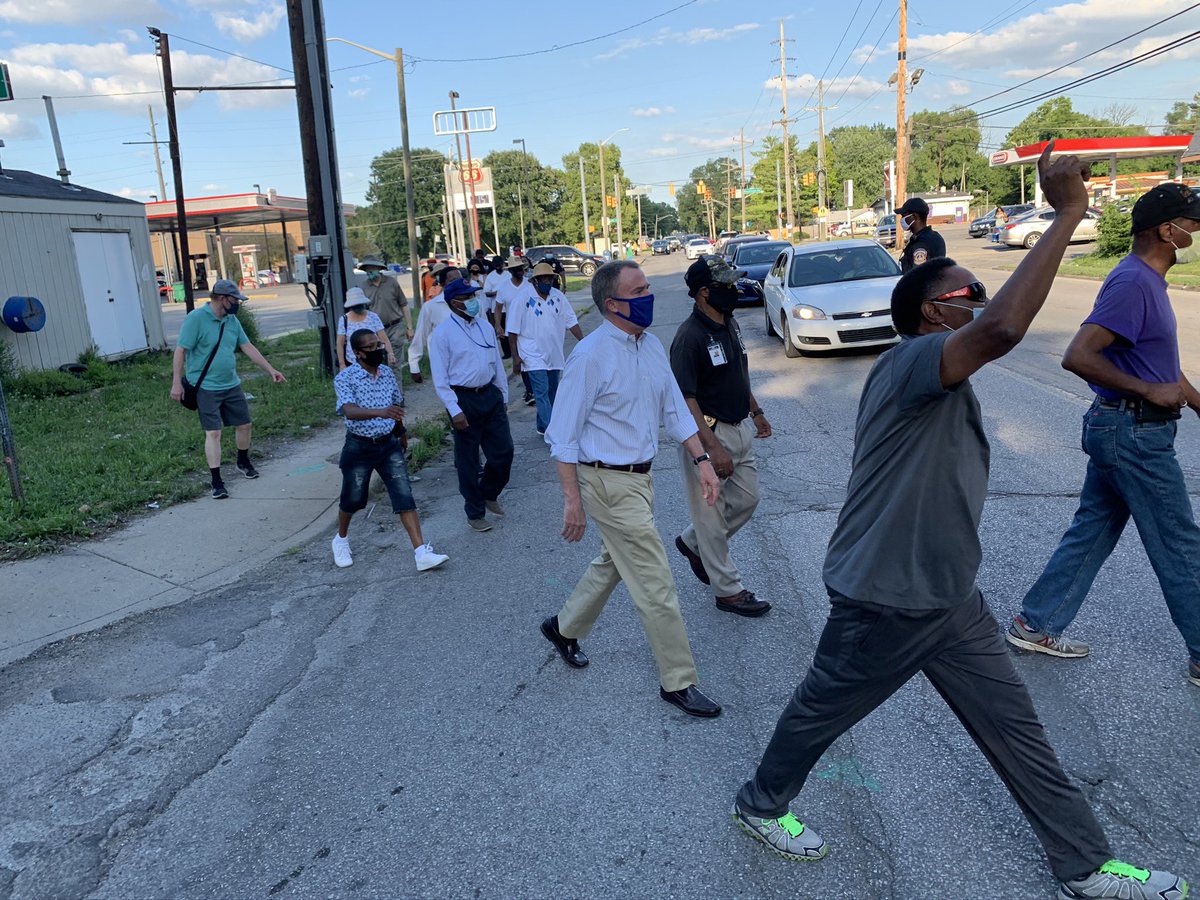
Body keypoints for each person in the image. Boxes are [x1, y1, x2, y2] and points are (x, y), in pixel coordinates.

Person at [731, 146, 1188, 900]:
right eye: (967, 292)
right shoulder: (913, 362)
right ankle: (759, 804)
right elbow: (1005, 329)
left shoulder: (938, 372)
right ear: (931, 315)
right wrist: (1068, 213)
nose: (979, 298)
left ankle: (1084, 864)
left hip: (948, 597)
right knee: (821, 709)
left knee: (1018, 732)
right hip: (883, 595)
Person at [1007, 182, 1200, 690]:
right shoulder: (1134, 282)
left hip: (1125, 427)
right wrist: (1149, 392)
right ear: (1167, 230)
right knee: (1180, 543)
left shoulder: (1147, 280)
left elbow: (1156, 365)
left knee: (1093, 529)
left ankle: (1036, 623)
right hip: (1133, 431)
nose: (1195, 232)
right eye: (1192, 224)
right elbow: (1079, 355)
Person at [539, 260, 725, 719]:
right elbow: (561, 437)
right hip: (604, 480)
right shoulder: (590, 358)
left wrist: (702, 459)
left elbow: (674, 409)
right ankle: (678, 681)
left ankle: (563, 628)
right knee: (655, 583)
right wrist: (572, 502)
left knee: (616, 560)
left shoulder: (651, 345)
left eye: (647, 287)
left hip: (640, 478)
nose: (649, 295)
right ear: (611, 304)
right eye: (639, 290)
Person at [670, 257, 772, 618]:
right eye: (725, 286)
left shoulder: (728, 323)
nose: (733, 291)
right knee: (711, 516)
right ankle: (728, 591)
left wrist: (756, 411)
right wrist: (711, 448)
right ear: (703, 293)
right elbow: (685, 398)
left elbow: (739, 374)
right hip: (708, 436)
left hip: (738, 427)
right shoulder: (689, 337)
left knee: (747, 499)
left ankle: (693, 543)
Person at [331, 329, 448, 573]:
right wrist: (380, 412)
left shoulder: (386, 374)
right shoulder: (346, 378)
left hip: (388, 445)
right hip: (359, 446)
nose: (378, 350)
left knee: (403, 494)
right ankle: (341, 539)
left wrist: (401, 432)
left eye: (379, 345)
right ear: (357, 353)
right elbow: (349, 410)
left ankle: (420, 553)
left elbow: (395, 406)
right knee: (353, 499)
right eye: (371, 348)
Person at [170, 279, 287, 499]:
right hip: (205, 386)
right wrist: (177, 383)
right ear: (222, 298)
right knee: (213, 432)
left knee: (245, 425)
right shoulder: (196, 319)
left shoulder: (232, 320)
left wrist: (270, 369)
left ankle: (243, 461)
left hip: (231, 383)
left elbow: (246, 346)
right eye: (235, 300)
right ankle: (216, 481)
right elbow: (180, 351)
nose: (237, 304)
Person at [428, 277, 514, 532]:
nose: (473, 301)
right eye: (467, 298)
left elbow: (496, 362)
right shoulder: (443, 334)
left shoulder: (484, 326)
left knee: (504, 452)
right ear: (454, 303)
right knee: (467, 460)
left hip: (490, 394)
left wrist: (503, 394)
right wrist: (454, 409)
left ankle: (488, 492)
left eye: (473, 297)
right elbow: (440, 378)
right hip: (463, 399)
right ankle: (475, 512)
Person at [506, 261, 583, 436]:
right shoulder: (523, 299)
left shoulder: (558, 297)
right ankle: (553, 432)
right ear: (534, 281)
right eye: (543, 279)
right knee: (541, 392)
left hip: (554, 353)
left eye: (549, 279)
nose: (546, 282)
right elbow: (512, 331)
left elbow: (571, 321)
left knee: (553, 392)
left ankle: (542, 426)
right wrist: (515, 357)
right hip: (531, 353)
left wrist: (584, 342)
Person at [495, 257, 535, 405]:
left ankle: (532, 389)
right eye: (517, 269)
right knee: (520, 359)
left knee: (531, 358)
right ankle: (530, 390)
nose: (520, 271)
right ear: (511, 271)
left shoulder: (530, 285)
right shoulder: (503, 287)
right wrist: (498, 325)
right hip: (513, 330)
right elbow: (498, 308)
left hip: (530, 328)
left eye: (521, 268)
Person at [359, 256, 413, 354]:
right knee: (379, 358)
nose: (370, 271)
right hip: (375, 329)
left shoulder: (391, 282)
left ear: (379, 269)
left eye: (372, 268)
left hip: (395, 326)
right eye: (367, 269)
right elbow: (363, 312)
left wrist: (409, 328)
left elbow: (404, 305)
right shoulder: (364, 287)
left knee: (395, 360)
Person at [336, 287, 395, 371]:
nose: (358, 307)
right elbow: (340, 343)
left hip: (374, 360)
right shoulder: (344, 320)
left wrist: (390, 353)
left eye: (360, 304)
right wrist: (342, 364)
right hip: (353, 362)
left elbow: (383, 338)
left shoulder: (373, 317)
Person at [896, 197, 946, 273]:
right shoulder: (935, 237)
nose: (902, 219)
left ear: (915, 217)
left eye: (904, 216)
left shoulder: (920, 245)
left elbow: (917, 277)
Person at [483, 255, 510, 359]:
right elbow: (487, 293)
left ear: (503, 264)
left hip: (509, 307)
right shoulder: (491, 276)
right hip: (497, 309)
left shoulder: (508, 274)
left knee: (512, 330)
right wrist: (498, 293)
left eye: (500, 264)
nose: (498, 266)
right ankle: (507, 353)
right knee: (501, 331)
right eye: (496, 265)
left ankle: (515, 350)